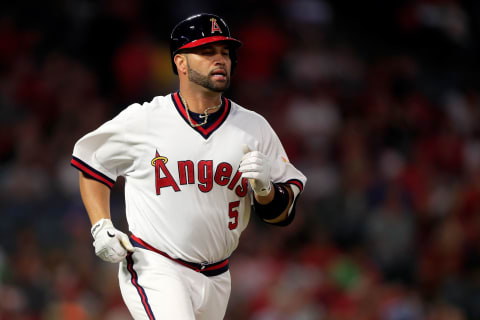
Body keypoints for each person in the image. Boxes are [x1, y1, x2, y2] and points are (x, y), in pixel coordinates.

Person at [71, 13, 306, 320]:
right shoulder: (145, 119)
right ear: (180, 63)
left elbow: (283, 215)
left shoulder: (254, 128)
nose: (220, 59)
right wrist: (101, 225)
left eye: (225, 52)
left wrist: (265, 192)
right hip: (155, 264)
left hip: (217, 275)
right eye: (207, 52)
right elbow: (92, 164)